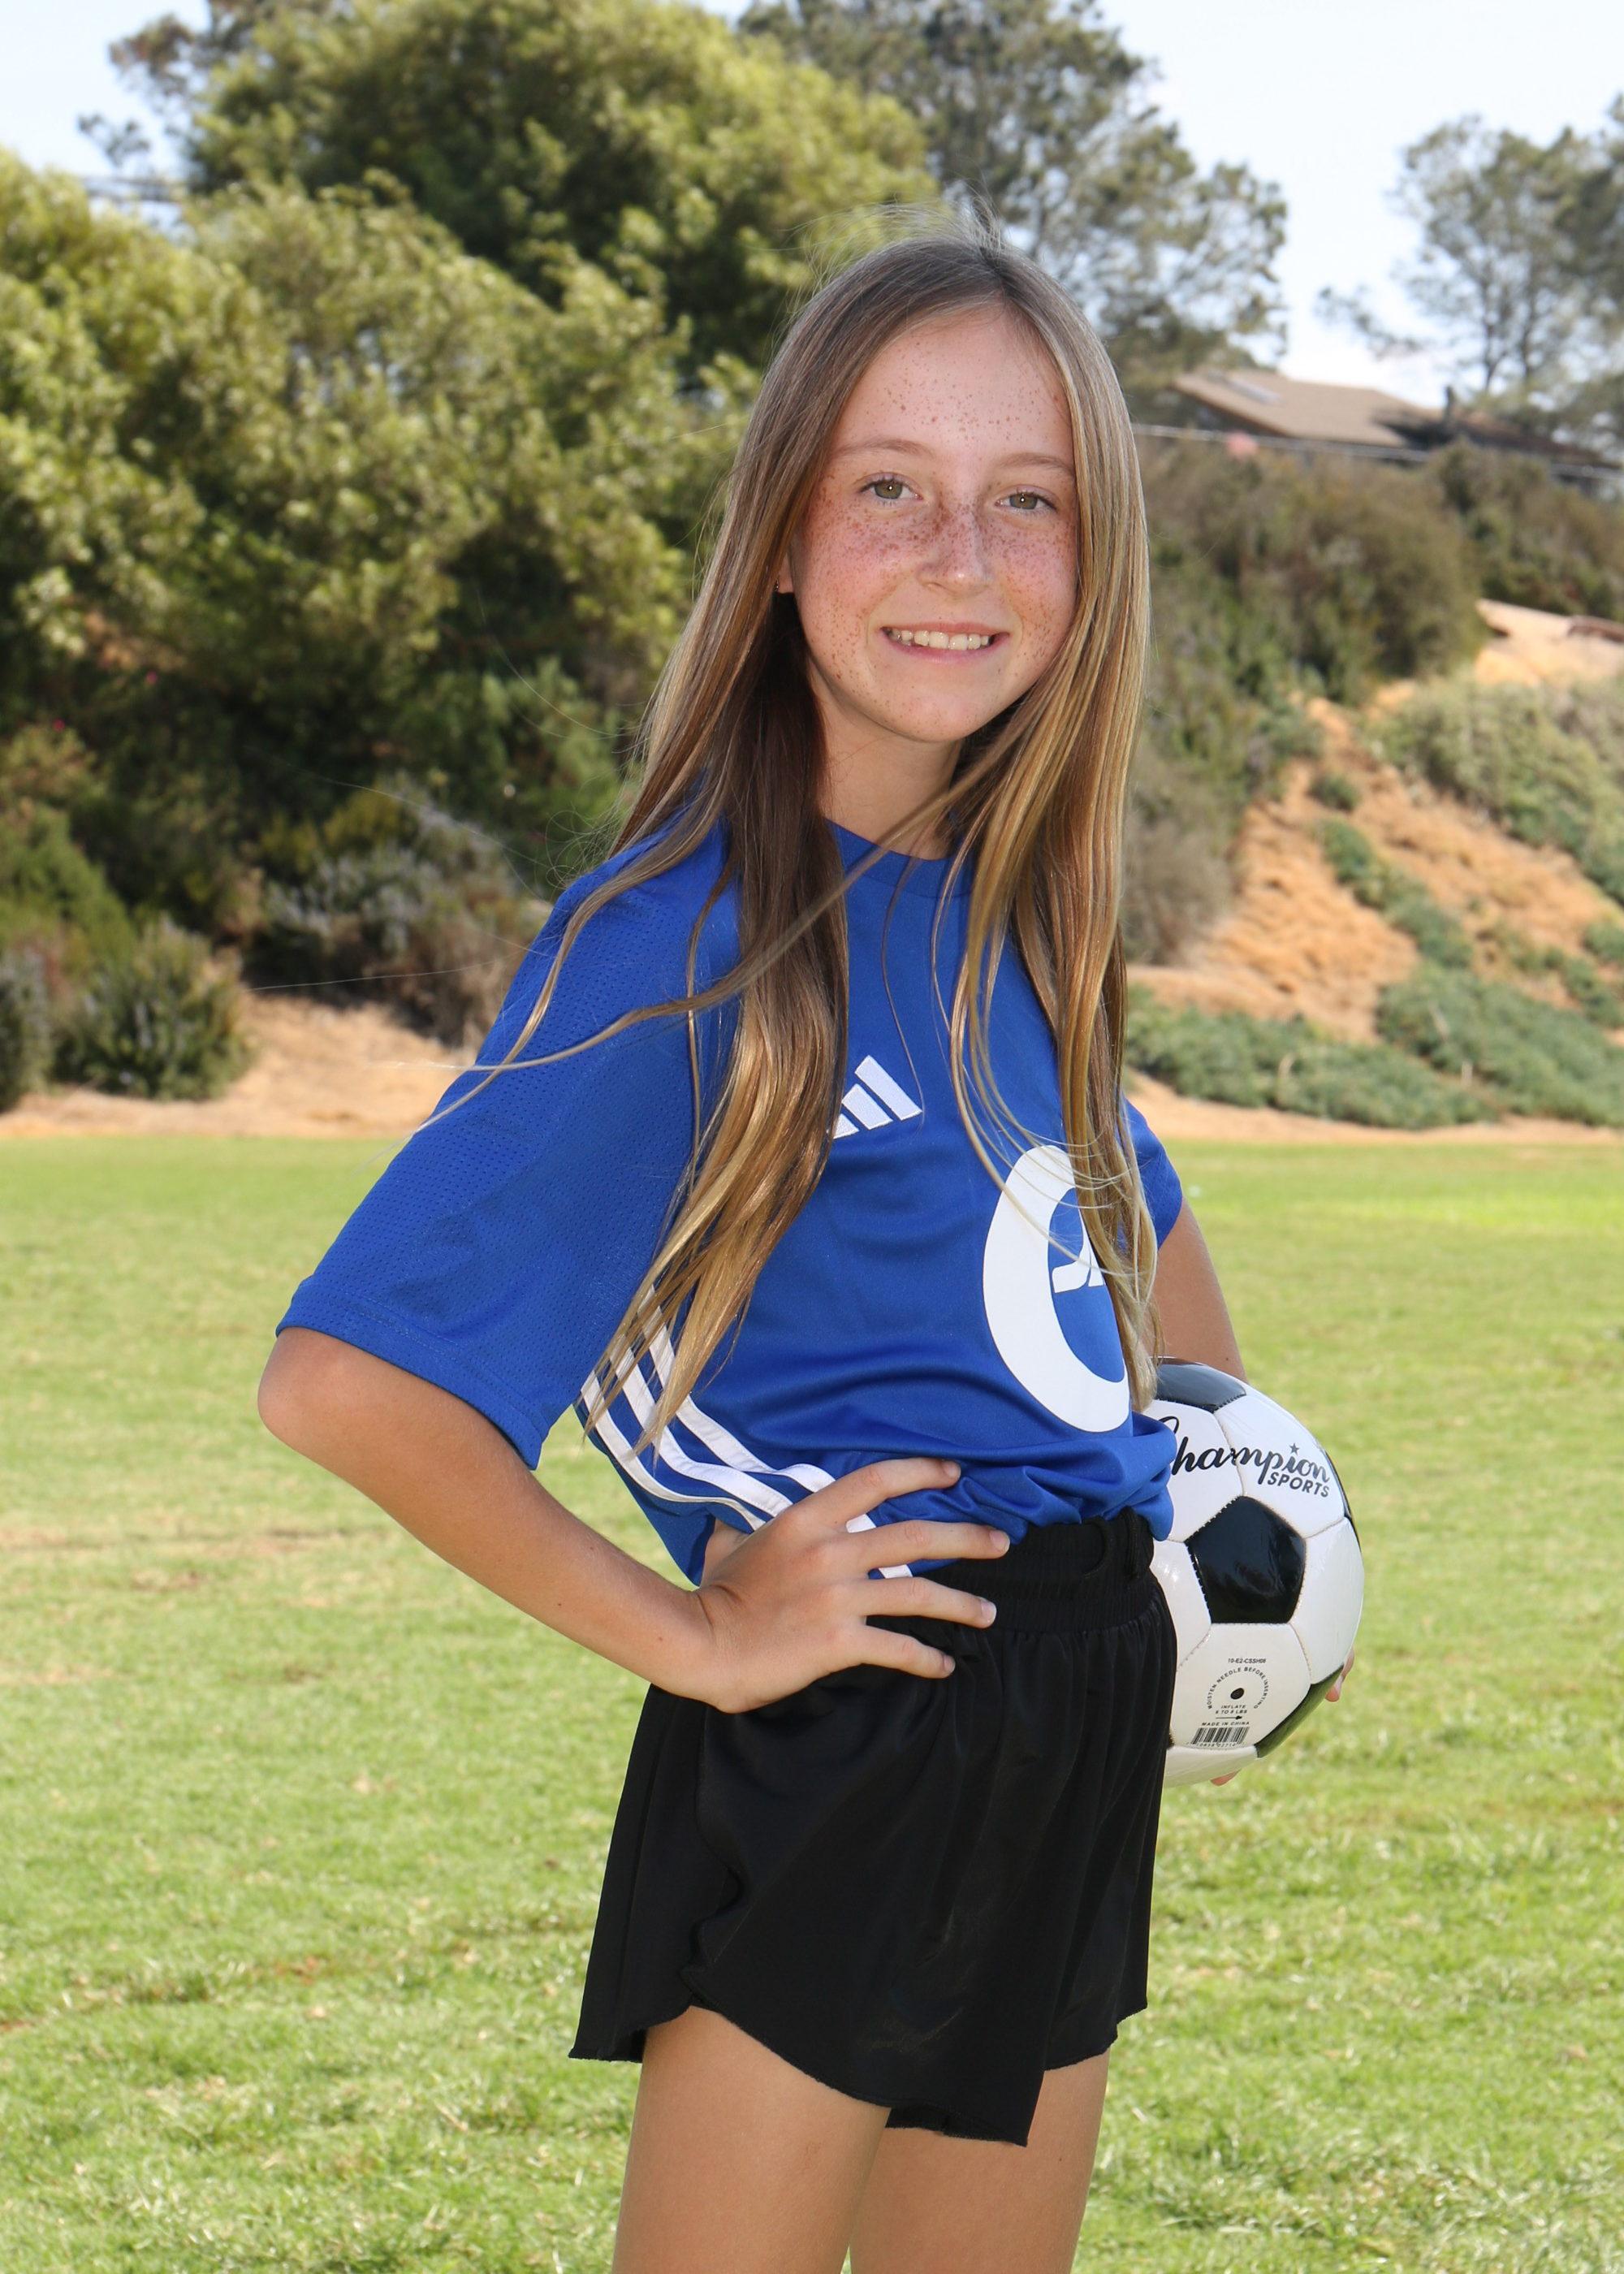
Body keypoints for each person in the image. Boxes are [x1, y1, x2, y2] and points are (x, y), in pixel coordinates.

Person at [260, 226, 1257, 2274]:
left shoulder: (1020, 908)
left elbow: (1141, 1246)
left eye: (1027, 500)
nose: (959, 556)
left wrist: (1235, 1482)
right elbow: (345, 1385)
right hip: (859, 1726)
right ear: (784, 536)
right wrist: (700, 1637)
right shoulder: (687, 938)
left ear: (1094, 562)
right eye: (889, 485)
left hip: (1071, 1706)